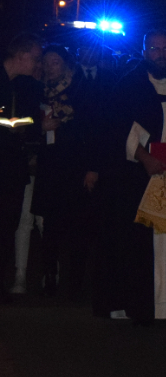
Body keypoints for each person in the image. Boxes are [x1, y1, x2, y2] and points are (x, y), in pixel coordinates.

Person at [101, 31, 166, 325]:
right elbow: (118, 128)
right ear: (144, 51)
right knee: (135, 243)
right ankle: (141, 304)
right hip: (139, 177)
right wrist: (144, 158)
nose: (161, 54)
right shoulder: (129, 85)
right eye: (154, 49)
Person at [30, 46, 100, 296]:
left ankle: (76, 282)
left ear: (66, 65)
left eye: (56, 62)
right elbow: (26, 123)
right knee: (50, 226)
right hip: (51, 167)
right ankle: (50, 277)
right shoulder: (38, 90)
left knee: (78, 226)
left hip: (76, 166)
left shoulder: (81, 89)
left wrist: (93, 168)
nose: (50, 68)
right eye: (46, 62)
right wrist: (40, 127)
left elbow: (94, 129)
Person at [0, 35, 42, 302]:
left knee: (9, 225)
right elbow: (7, 122)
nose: (38, 64)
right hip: (5, 166)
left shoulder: (18, 83)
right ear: (21, 55)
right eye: (35, 58)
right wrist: (31, 123)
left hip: (11, 167)